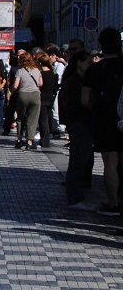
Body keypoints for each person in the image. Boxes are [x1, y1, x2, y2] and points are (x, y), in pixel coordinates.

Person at [81, 27, 123, 216]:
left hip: (106, 120)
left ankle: (113, 203)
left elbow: (85, 100)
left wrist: (98, 110)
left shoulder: (96, 69)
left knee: (110, 162)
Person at [59, 50, 95, 210]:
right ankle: (74, 198)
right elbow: (78, 104)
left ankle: (76, 196)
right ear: (80, 63)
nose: (91, 65)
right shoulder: (75, 82)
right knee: (78, 161)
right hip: (79, 123)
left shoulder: (74, 80)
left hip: (78, 123)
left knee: (80, 160)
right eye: (88, 62)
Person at [12, 51, 43, 150]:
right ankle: (29, 141)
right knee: (33, 119)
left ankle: (19, 140)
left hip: (23, 95)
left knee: (20, 118)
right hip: (35, 95)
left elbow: (15, 85)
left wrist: (10, 91)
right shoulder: (37, 70)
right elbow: (41, 83)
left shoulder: (20, 71)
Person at [37, 53, 57, 148]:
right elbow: (55, 87)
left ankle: (44, 140)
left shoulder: (41, 74)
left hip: (42, 97)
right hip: (50, 97)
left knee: (43, 120)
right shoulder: (53, 73)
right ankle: (48, 136)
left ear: (40, 63)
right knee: (48, 118)